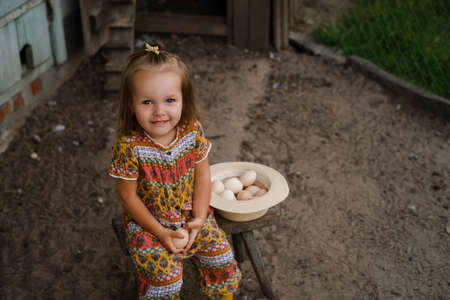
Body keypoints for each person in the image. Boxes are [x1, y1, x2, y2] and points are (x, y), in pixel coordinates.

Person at [108, 42, 241, 300]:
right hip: (148, 225)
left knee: (221, 257)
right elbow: (128, 197)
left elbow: (203, 175)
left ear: (183, 99)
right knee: (166, 279)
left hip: (191, 213)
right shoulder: (129, 147)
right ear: (130, 106)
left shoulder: (191, 132)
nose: (159, 111)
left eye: (170, 100)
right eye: (147, 102)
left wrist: (200, 217)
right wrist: (162, 233)